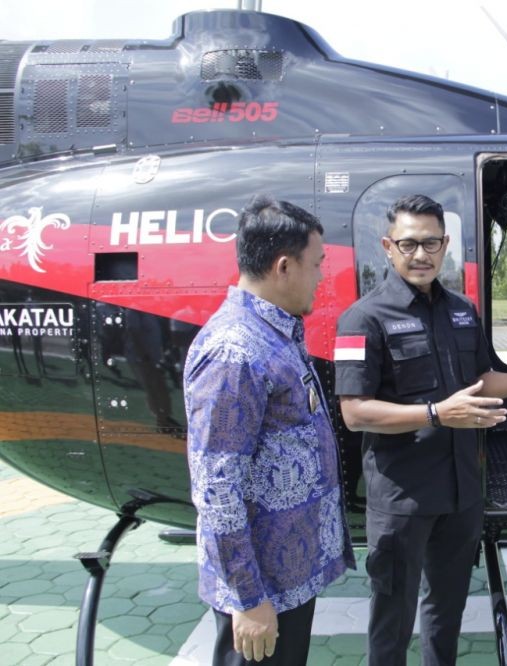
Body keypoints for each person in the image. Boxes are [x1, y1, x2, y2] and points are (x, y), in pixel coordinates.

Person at [334, 193, 507, 666]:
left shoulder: (462, 310)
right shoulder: (363, 318)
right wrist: (435, 414)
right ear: (388, 247)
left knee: (447, 612)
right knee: (393, 617)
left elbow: (481, 380)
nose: (420, 254)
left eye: (430, 243)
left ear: (446, 245)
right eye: (408, 244)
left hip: (461, 492)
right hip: (403, 497)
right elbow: (356, 413)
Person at [184, 195, 355, 665]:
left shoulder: (272, 333)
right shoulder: (234, 352)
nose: (321, 277)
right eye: (317, 264)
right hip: (263, 591)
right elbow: (217, 488)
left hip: (286, 579)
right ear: (284, 266)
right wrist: (247, 598)